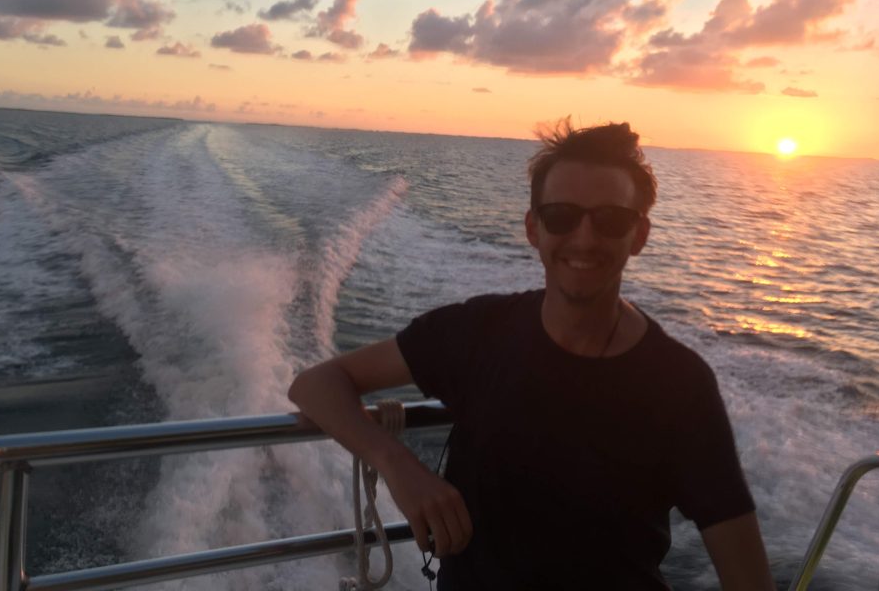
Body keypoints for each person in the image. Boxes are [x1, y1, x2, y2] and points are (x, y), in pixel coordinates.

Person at [289, 120, 774, 590]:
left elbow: (746, 575)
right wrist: (396, 465)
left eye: (610, 220)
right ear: (533, 228)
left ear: (639, 235)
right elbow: (315, 385)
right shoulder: (475, 333)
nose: (584, 238)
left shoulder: (680, 385)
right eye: (562, 216)